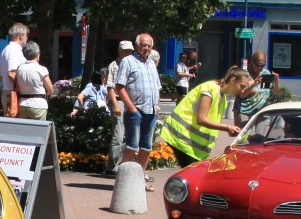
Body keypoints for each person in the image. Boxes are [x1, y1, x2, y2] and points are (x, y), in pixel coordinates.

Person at [161, 65, 242, 168]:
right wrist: (227, 127)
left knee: (193, 178)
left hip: (193, 145)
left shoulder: (223, 97)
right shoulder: (210, 88)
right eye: (242, 86)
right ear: (233, 80)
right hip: (182, 138)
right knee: (191, 178)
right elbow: (201, 119)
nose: (242, 90)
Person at [116, 32, 162, 172]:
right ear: (136, 46)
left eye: (149, 46)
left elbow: (157, 86)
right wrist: (131, 108)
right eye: (143, 45)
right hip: (136, 111)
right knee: (132, 146)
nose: (146, 48)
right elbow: (119, 86)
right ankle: (124, 180)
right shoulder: (128, 61)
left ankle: (140, 179)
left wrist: (157, 105)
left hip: (151, 111)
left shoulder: (151, 64)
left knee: (146, 147)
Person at [102, 41, 133, 175]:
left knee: (127, 135)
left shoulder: (132, 64)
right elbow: (110, 87)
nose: (128, 53)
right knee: (118, 135)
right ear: (119, 51)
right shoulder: (114, 66)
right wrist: (115, 105)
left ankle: (121, 165)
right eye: (125, 51)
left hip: (129, 102)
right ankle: (112, 166)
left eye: (130, 51)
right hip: (118, 101)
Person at [11, 41, 52, 119]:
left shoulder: (19, 68)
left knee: (24, 130)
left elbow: (17, 88)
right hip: (38, 104)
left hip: (22, 104)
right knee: (39, 130)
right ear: (37, 54)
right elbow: (50, 89)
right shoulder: (42, 69)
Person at [0, 22, 28, 98]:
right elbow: (12, 73)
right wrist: (24, 89)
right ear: (21, 36)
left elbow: (1, 76)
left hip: (9, 92)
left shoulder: (9, 49)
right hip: (13, 94)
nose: (27, 38)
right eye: (26, 35)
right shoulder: (13, 50)